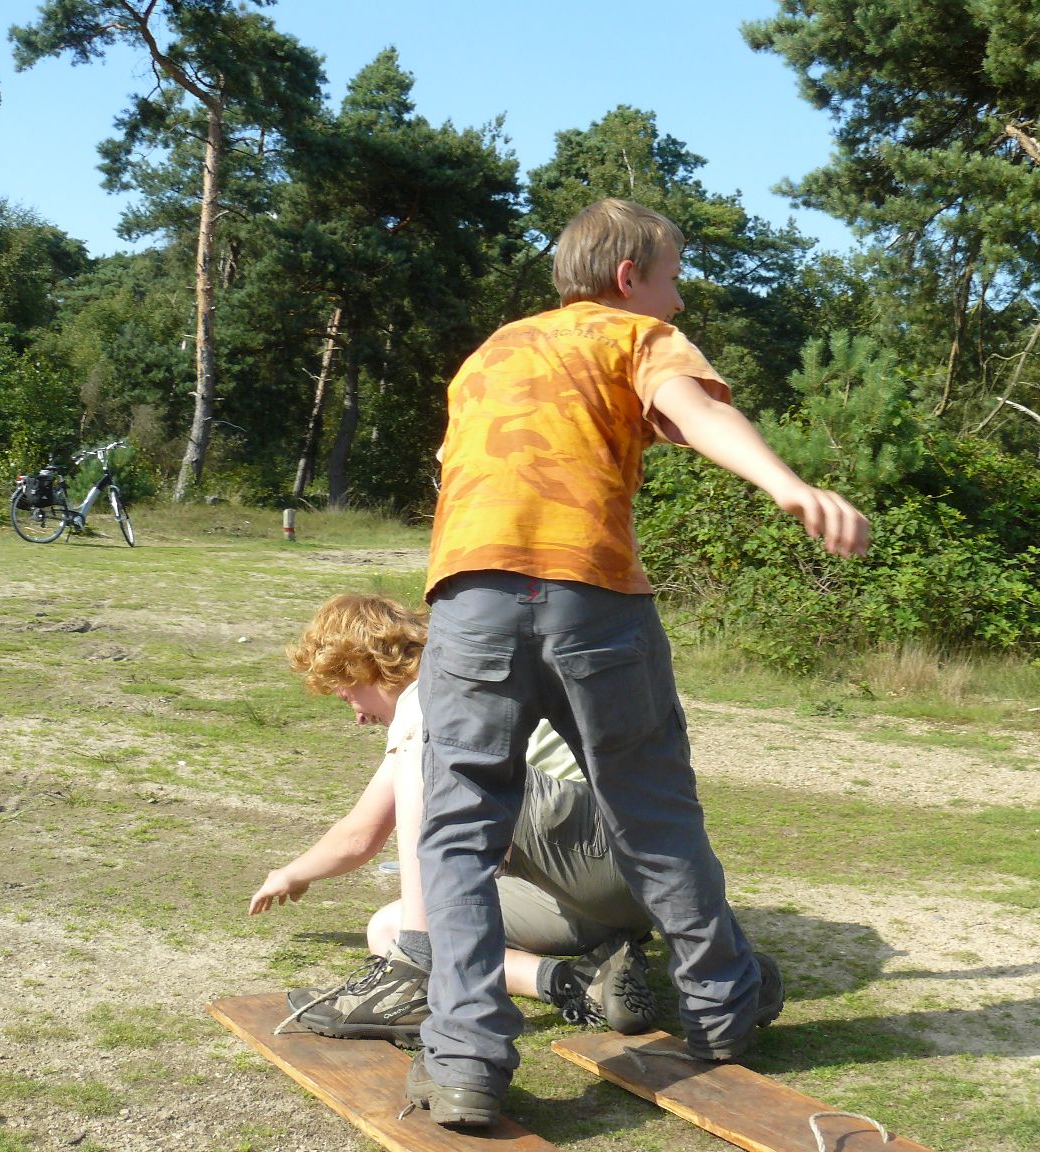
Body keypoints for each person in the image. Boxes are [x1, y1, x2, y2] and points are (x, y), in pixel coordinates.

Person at [409, 197, 871, 1127]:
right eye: (674, 278)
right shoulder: (635, 335)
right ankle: (722, 1008)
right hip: (593, 598)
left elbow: (457, 469)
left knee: (458, 830)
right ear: (629, 278)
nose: (680, 300)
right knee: (651, 809)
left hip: (469, 601)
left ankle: (464, 1059)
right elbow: (694, 412)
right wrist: (786, 484)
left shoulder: (491, 353)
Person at [247, 592, 658, 1044]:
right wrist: (290, 874)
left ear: (361, 666)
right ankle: (574, 981)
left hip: (611, 850)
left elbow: (364, 835)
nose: (357, 716)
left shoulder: (437, 693)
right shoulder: (427, 714)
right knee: (386, 929)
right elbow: (359, 832)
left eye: (346, 694)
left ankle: (412, 971)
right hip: (599, 905)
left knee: (427, 765)